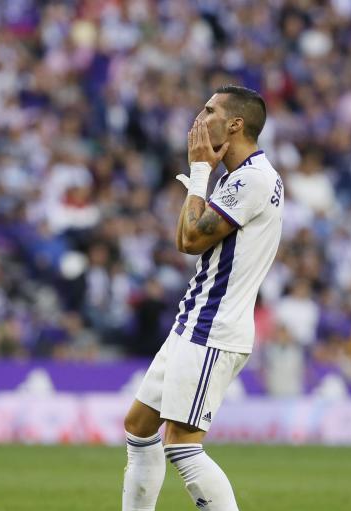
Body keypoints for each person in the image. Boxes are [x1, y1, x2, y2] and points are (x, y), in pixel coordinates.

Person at [121, 85, 284, 511]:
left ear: (235, 124)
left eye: (209, 110)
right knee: (139, 427)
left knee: (182, 445)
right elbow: (184, 239)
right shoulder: (238, 175)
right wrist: (201, 176)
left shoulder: (251, 179)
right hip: (193, 320)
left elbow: (192, 238)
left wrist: (198, 173)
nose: (199, 117)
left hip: (214, 325)